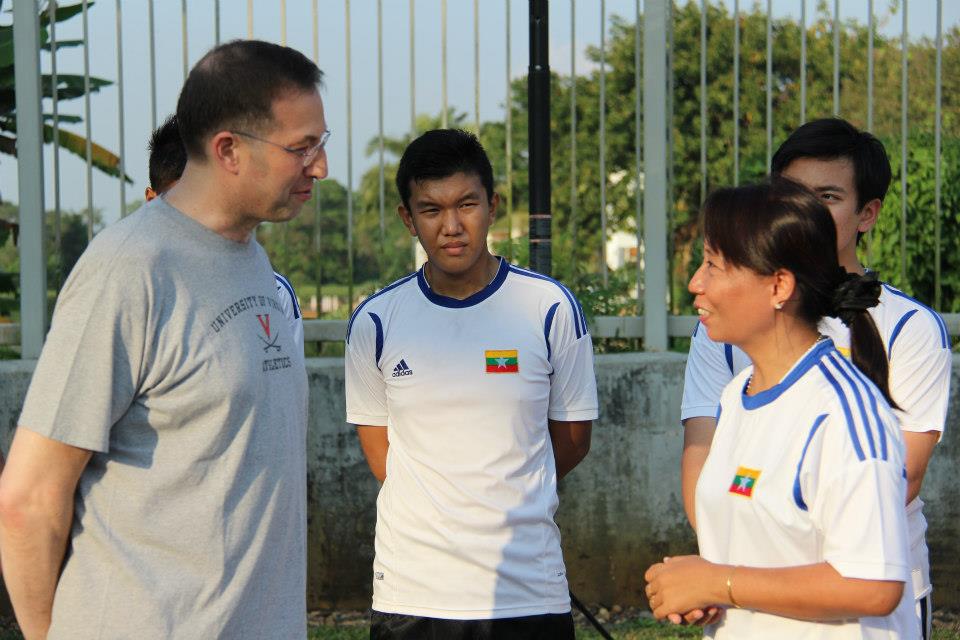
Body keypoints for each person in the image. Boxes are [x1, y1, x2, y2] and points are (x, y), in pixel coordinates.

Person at [0, 39, 328, 639]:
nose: (321, 166)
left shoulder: (249, 259)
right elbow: (28, 497)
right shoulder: (130, 269)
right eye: (301, 148)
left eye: (320, 144)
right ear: (228, 149)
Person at [680, 118, 949, 638]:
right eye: (789, 194)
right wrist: (717, 569)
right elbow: (702, 459)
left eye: (826, 196)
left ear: (867, 213)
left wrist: (732, 578)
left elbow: (897, 490)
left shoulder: (902, 337)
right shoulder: (735, 364)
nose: (802, 212)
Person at [345, 129, 598, 639]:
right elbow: (383, 457)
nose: (452, 226)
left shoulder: (548, 308)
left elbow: (571, 441)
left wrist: (505, 490)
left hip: (526, 589)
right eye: (431, 210)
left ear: (493, 206)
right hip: (412, 593)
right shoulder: (376, 320)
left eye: (467, 204)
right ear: (407, 218)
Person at [147, 114, 305, 352]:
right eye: (182, 205)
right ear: (152, 201)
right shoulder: (130, 289)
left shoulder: (272, 291)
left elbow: (289, 386)